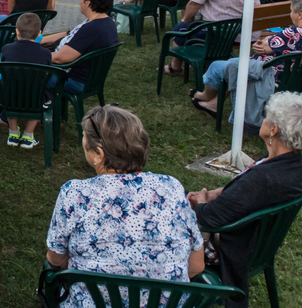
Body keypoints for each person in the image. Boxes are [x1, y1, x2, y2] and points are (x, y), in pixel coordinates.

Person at [46, 105, 204, 303]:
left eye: (84, 139)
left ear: (99, 154)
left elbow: (56, 258)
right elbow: (196, 266)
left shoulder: (74, 193)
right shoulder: (171, 187)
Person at [188, 91, 302, 307]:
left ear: (273, 130)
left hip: (231, 245)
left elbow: (207, 219)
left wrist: (202, 201)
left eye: (266, 117)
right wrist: (214, 193)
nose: (263, 120)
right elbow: (243, 190)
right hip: (257, 241)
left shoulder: (263, 180)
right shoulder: (290, 163)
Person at [191, 0, 302, 120]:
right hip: (294, 80)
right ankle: (213, 104)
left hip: (269, 76)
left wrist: (268, 41)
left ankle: (206, 96)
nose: (290, 14)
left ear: (299, 14)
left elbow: (264, 46)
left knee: (218, 66)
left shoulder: (292, 33)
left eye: (291, 11)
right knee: (234, 64)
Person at [41, 0, 120, 93]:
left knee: (25, 70)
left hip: (73, 80)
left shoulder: (92, 29)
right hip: (89, 78)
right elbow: (69, 34)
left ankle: (31, 106)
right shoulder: (106, 22)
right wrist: (39, 40)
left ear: (87, 3)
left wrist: (35, 55)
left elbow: (61, 58)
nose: (80, 3)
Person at [0, 13, 54, 147]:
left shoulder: (7, 49)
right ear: (39, 33)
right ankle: (28, 134)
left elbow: (3, 71)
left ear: (17, 31)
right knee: (41, 92)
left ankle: (13, 132)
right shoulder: (45, 53)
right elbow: (46, 74)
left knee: (9, 87)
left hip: (9, 98)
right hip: (35, 100)